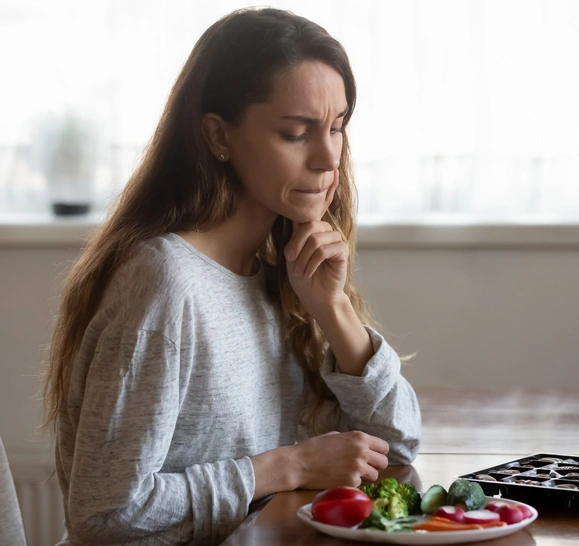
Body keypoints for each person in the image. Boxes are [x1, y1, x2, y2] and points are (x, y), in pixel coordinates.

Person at [43, 7, 421, 545]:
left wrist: (333, 311)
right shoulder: (164, 285)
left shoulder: (278, 277)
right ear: (219, 136)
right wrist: (286, 467)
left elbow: (397, 445)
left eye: (337, 128)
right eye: (296, 133)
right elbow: (105, 514)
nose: (327, 157)